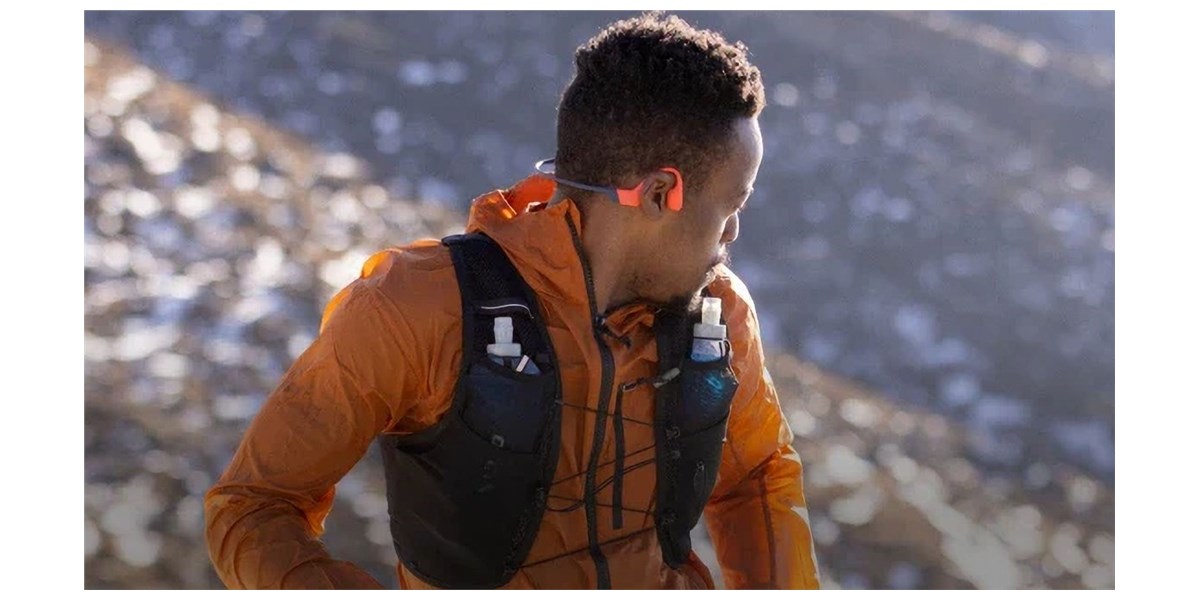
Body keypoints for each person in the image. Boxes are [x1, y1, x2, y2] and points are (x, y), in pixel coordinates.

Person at [204, 11, 820, 590]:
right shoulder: (418, 307)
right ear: (661, 193)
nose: (733, 233)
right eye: (731, 205)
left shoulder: (719, 314)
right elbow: (254, 506)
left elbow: (758, 478)